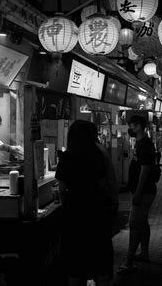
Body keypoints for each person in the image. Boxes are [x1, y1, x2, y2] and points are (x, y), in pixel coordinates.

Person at [56, 120, 115, 286]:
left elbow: (61, 189)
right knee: (101, 263)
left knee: (75, 267)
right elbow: (103, 184)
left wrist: (67, 206)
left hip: (74, 216)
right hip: (97, 213)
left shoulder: (66, 157)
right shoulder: (98, 156)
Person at [118, 115, 158, 275]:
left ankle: (128, 261)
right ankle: (144, 253)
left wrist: (138, 192)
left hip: (144, 192)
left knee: (134, 225)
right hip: (143, 190)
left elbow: (145, 169)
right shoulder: (141, 143)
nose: (130, 129)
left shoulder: (145, 145)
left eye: (132, 126)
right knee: (143, 223)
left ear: (139, 126)